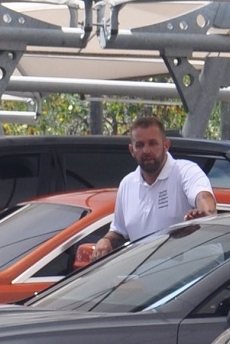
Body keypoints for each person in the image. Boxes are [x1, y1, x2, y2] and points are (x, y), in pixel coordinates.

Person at [76, 114, 215, 268]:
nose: (146, 150)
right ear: (131, 150)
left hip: (196, 277)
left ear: (166, 145)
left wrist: (204, 214)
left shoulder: (185, 171)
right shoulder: (127, 184)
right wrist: (106, 240)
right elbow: (120, 232)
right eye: (140, 145)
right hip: (148, 278)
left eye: (153, 143)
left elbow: (204, 198)